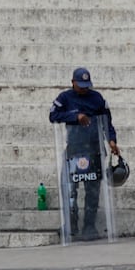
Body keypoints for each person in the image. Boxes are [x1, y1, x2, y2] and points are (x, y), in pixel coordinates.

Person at [48, 67, 120, 241]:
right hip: (74, 149)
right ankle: (71, 224)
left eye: (86, 85)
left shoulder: (97, 98)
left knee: (93, 190)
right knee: (70, 188)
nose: (83, 88)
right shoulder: (64, 98)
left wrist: (111, 141)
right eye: (80, 85)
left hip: (94, 149)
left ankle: (90, 225)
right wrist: (75, 116)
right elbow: (53, 115)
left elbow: (107, 122)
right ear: (72, 82)